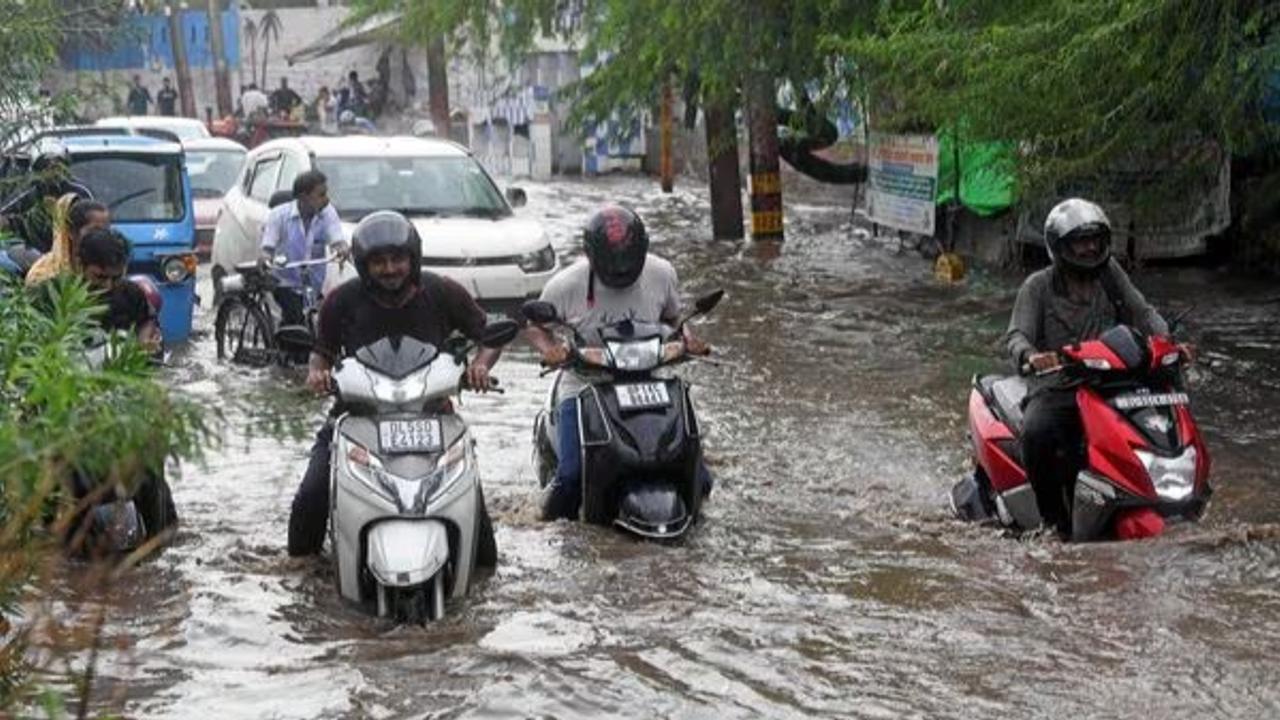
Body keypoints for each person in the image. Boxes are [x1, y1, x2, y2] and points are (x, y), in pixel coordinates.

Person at [287, 211, 503, 556]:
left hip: (433, 414)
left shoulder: (442, 291)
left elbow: (491, 334)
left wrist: (479, 365)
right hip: (357, 415)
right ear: (363, 264)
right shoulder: (341, 301)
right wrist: (317, 373)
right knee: (312, 493)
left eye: (398, 259)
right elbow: (321, 352)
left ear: (412, 258)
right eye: (379, 262)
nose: (390, 269)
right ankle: (301, 574)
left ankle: (478, 574)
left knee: (475, 516)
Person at [1005, 198, 1181, 536]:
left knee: (1166, 410)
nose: (1089, 249)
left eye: (1094, 240)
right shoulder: (1037, 286)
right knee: (1038, 430)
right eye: (1079, 242)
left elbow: (1142, 313)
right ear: (1059, 247)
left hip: (1113, 380)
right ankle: (1052, 523)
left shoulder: (1110, 274)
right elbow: (1017, 335)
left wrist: (1167, 341)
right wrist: (1031, 357)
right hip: (1061, 384)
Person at [524, 205, 712, 521]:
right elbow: (532, 325)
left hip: (650, 379)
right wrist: (551, 348)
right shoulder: (566, 285)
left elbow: (673, 318)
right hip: (586, 383)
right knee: (571, 477)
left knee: (701, 479)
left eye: (630, 260)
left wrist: (688, 338)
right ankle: (542, 524)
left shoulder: (662, 273)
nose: (623, 269)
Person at [259, 170, 345, 327]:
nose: (327, 199)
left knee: (325, 321)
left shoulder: (327, 213)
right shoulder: (279, 215)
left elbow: (337, 237)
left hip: (314, 284)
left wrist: (342, 248)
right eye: (321, 195)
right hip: (285, 282)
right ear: (304, 197)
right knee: (296, 321)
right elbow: (268, 246)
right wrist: (266, 257)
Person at [73, 227, 162, 352]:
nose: (108, 286)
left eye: (116, 278)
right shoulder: (54, 295)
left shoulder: (132, 293)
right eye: (100, 277)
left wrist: (145, 339)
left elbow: (147, 320)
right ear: (79, 265)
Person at [0, 139, 93, 253]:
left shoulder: (79, 192)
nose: (52, 171)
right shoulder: (31, 193)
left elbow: (91, 221)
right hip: (38, 255)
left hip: (74, 252)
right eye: (45, 166)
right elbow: (8, 215)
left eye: (57, 166)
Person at [25, 198, 110, 287]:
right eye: (95, 230)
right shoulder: (43, 274)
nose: (102, 236)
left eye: (106, 230)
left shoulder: (111, 269)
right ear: (72, 232)